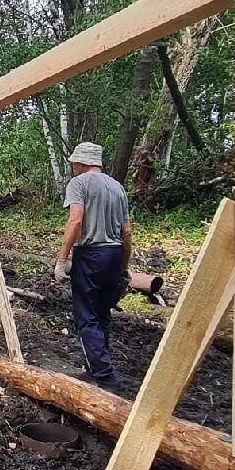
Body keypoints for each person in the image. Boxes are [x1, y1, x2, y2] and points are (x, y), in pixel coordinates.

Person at [53, 142, 132, 389]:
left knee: (86, 317)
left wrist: (62, 259)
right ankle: (96, 366)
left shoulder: (79, 184)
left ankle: (104, 376)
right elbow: (126, 231)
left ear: (82, 163)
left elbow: (76, 220)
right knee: (102, 315)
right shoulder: (117, 187)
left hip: (90, 254)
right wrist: (124, 265)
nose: (72, 167)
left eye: (74, 163)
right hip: (113, 254)